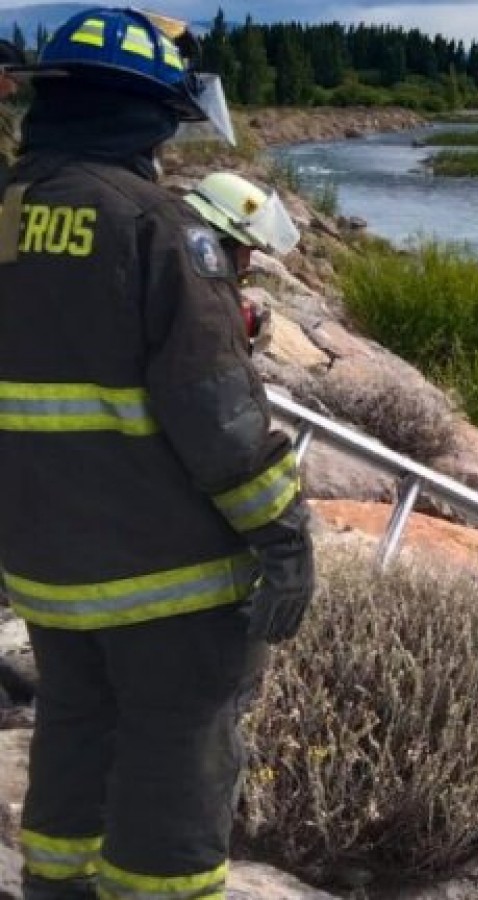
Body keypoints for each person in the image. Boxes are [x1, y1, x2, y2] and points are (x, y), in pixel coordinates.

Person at [0, 9, 314, 900]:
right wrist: (284, 536)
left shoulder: (8, 217)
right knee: (177, 763)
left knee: (75, 734)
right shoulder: (158, 228)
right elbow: (218, 416)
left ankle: (54, 888)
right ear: (145, 115)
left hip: (46, 570)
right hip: (168, 577)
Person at [185, 170, 302, 355]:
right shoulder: (193, 306)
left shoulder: (172, 273)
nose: (247, 262)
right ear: (219, 242)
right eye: (247, 249)